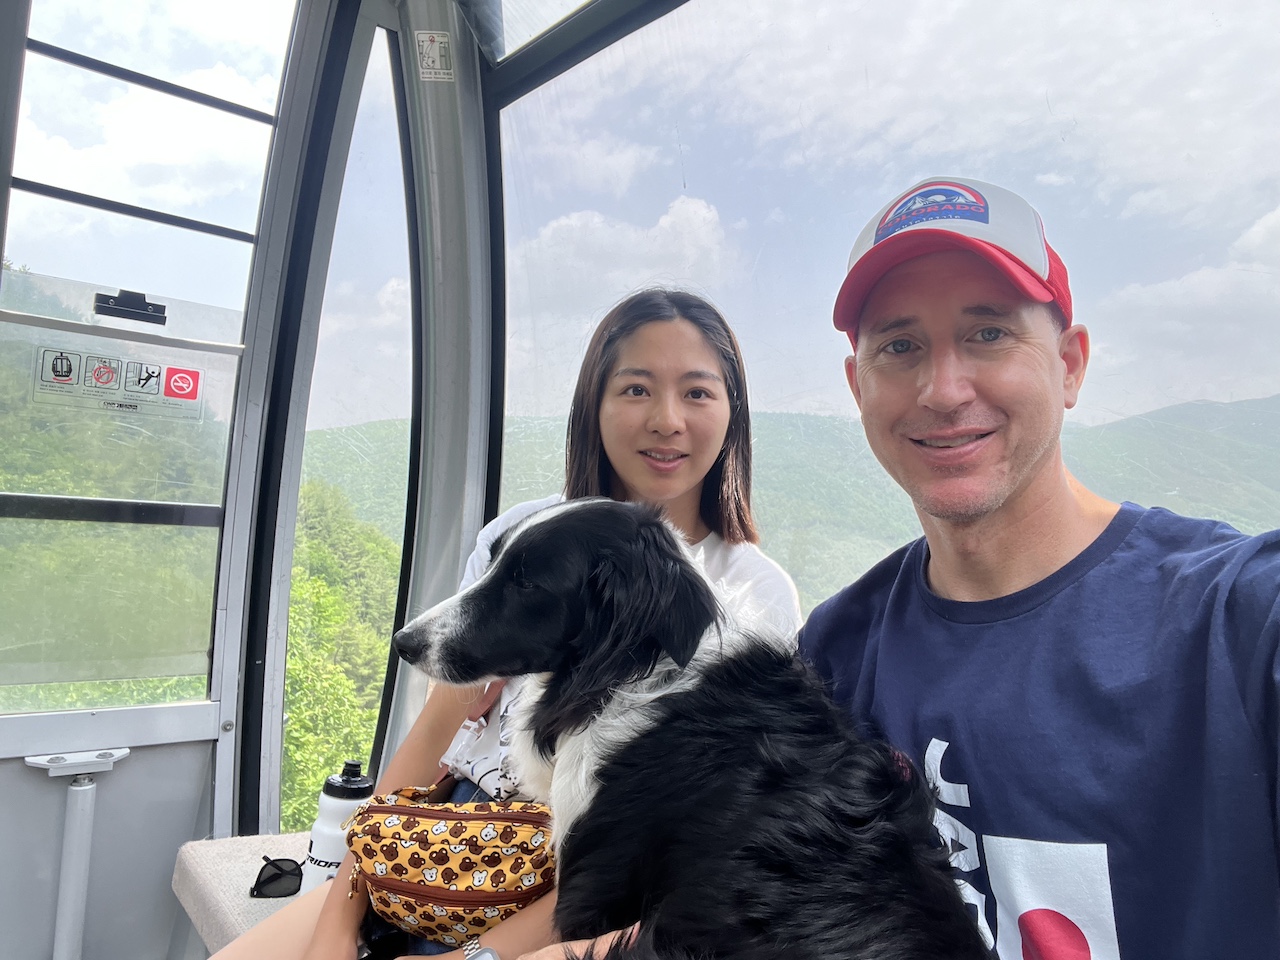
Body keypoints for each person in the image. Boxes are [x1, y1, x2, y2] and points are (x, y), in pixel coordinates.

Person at [212, 288, 801, 960]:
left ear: (732, 413)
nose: (667, 420)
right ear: (595, 405)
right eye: (636, 389)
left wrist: (475, 957)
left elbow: (662, 857)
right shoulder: (521, 536)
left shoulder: (754, 599)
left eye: (697, 393)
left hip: (574, 890)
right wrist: (342, 914)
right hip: (446, 835)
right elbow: (438, 728)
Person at [799, 176, 1280, 957]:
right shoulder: (835, 651)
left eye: (988, 334)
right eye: (899, 346)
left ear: (1071, 365)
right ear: (859, 388)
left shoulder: (1234, 622)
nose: (943, 389)